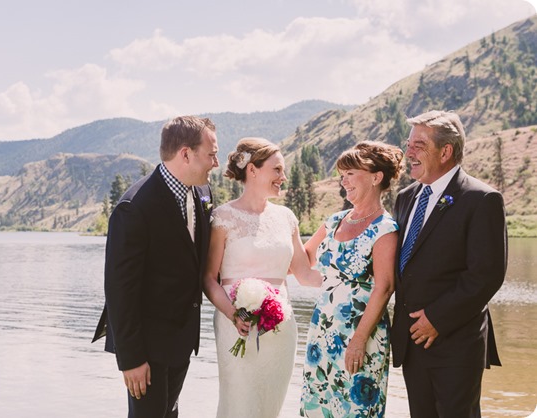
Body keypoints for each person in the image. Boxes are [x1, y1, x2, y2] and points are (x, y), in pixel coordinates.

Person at [91, 115, 219, 418]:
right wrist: (131, 359)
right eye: (211, 153)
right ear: (186, 154)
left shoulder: (202, 194)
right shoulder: (134, 207)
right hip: (146, 349)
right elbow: (119, 290)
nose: (216, 162)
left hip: (182, 340)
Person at [392, 110, 507, 418]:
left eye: (419, 144)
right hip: (412, 344)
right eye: (409, 143)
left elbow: (486, 275)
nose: (409, 151)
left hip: (455, 342)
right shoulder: (405, 198)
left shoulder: (482, 199)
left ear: (445, 151)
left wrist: (437, 319)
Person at [202, 137, 321, 418]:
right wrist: (234, 314)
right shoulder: (223, 217)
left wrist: (347, 279)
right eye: (277, 170)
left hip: (281, 327)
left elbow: (304, 274)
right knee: (239, 405)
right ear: (252, 170)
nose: (284, 177)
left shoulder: (286, 217)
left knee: (270, 407)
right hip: (236, 324)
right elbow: (208, 279)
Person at [300, 141, 404, 417]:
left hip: (361, 336)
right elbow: (301, 259)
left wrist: (358, 340)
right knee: (319, 406)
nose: (343, 181)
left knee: (354, 408)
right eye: (341, 174)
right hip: (323, 330)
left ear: (376, 177)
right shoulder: (334, 221)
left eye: (350, 173)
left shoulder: (385, 228)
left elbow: (385, 287)